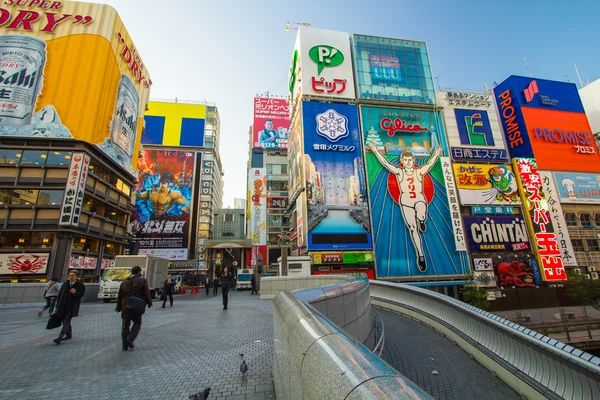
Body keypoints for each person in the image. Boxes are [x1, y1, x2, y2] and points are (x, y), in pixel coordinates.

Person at [368, 141, 442, 272]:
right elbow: (386, 163)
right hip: (406, 202)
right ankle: (420, 254)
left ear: (413, 160)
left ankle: (422, 220)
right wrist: (375, 150)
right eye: (405, 160)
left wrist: (436, 153)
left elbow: (429, 164)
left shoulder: (419, 172)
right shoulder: (399, 172)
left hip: (419, 199)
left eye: (410, 159)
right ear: (402, 160)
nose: (408, 162)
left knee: (421, 214)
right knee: (413, 229)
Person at [116, 265, 153, 351]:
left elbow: (120, 295)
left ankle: (124, 345)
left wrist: (118, 307)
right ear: (140, 272)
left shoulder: (124, 282)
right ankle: (130, 338)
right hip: (136, 305)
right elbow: (147, 292)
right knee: (137, 322)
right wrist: (149, 303)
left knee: (125, 325)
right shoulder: (142, 280)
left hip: (125, 305)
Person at [52, 270, 85, 345]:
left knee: (66, 320)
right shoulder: (65, 285)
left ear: (76, 277)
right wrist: (57, 306)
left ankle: (60, 337)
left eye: (73, 275)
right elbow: (60, 295)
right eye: (70, 275)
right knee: (65, 320)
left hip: (72, 306)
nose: (71, 277)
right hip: (63, 306)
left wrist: (75, 293)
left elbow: (81, 294)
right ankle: (69, 334)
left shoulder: (80, 285)